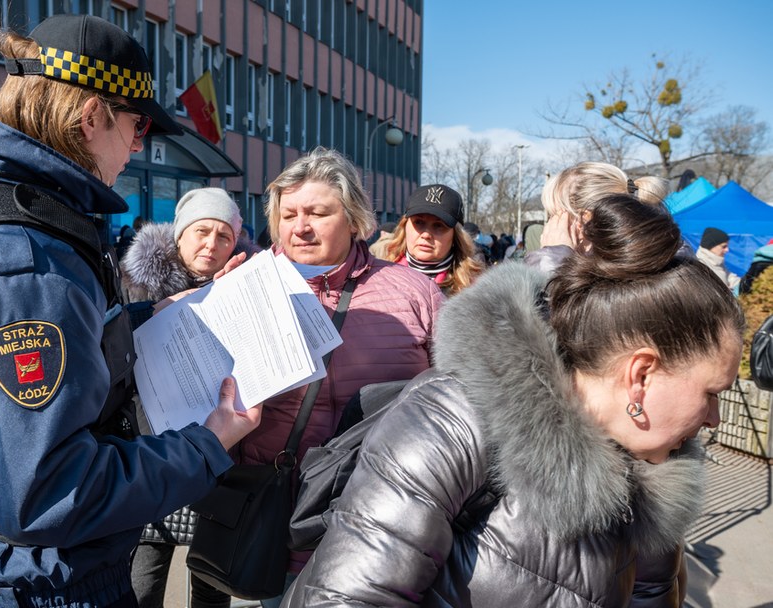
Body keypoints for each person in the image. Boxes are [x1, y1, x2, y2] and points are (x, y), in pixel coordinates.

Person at [0, 15, 260, 607]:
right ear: (91, 116)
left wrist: (156, 315)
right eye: (137, 122)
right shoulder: (22, 265)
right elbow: (47, 492)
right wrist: (209, 442)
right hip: (49, 585)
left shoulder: (19, 220)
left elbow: (69, 349)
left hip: (41, 574)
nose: (142, 143)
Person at [282, 193, 744, 607]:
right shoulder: (453, 423)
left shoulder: (659, 461)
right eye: (710, 394)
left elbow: (650, 590)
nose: (714, 420)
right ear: (640, 374)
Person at [234, 146, 445, 607]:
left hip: (385, 529)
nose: (300, 226)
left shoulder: (416, 293)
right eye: (288, 214)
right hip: (278, 526)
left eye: (317, 212)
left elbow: (455, 404)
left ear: (354, 219)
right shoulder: (245, 287)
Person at [120, 187, 254, 608]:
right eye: (201, 231)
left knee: (213, 587)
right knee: (143, 582)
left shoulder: (247, 287)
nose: (211, 244)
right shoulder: (137, 285)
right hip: (151, 452)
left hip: (219, 458)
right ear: (179, 235)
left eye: (223, 236)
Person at [527, 161, 668, 274]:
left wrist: (551, 260)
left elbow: (555, 307)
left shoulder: (607, 285)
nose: (550, 226)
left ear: (585, 220)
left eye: (555, 216)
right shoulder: (657, 264)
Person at [382, 184, 484, 296]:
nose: (426, 235)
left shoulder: (477, 288)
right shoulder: (379, 276)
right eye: (419, 222)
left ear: (455, 236)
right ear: (404, 227)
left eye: (438, 225)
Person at [696, 227, 741, 291]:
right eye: (724, 246)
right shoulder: (701, 266)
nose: (727, 250)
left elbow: (730, 278)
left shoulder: (717, 262)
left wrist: (746, 283)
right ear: (711, 245)